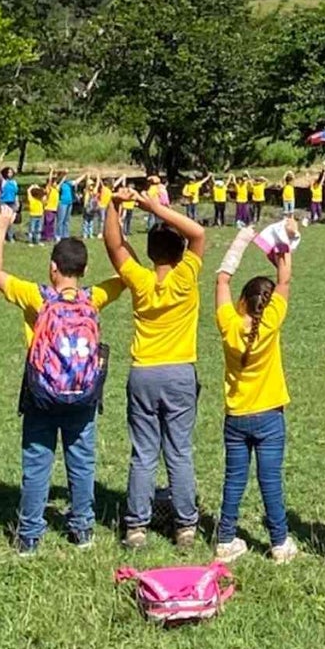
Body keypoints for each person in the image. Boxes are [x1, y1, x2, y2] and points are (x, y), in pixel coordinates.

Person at [0, 206, 122, 554]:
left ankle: (29, 536)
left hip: (41, 394)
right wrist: (115, 218)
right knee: (82, 460)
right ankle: (82, 531)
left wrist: (0, 226)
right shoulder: (95, 297)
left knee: (36, 461)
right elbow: (127, 275)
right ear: (85, 270)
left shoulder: (37, 298)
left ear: (53, 268)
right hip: (83, 394)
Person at [104, 185, 206, 548]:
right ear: (181, 253)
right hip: (180, 371)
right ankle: (185, 526)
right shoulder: (186, 277)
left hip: (143, 372)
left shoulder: (140, 280)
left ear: (148, 253)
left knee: (144, 452)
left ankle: (136, 527)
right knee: (179, 450)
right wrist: (155, 207)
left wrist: (115, 205)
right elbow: (199, 233)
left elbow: (114, 245)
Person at [213, 227, 298, 564]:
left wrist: (241, 240)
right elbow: (286, 280)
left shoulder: (228, 324)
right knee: (270, 480)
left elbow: (221, 280)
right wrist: (283, 245)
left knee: (234, 479)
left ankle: (225, 540)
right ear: (267, 303)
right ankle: (279, 543)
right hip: (269, 416)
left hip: (236, 416)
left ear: (243, 301)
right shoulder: (272, 322)